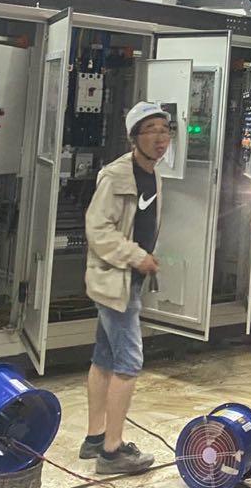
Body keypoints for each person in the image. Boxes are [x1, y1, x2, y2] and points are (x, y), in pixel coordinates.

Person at [79, 101, 169, 475]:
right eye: (151, 130)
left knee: (104, 358)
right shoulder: (117, 176)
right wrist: (137, 256)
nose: (161, 138)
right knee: (129, 363)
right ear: (134, 137)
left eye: (165, 130)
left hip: (127, 281)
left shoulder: (152, 174)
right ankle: (112, 453)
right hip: (115, 281)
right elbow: (98, 229)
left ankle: (95, 437)